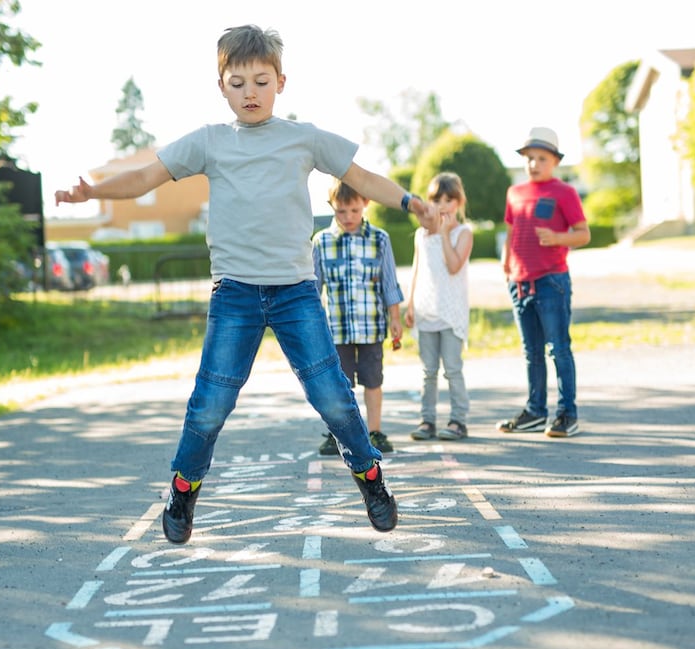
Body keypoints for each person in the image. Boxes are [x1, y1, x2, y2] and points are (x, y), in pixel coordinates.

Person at [54, 25, 437, 545]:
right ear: (222, 86)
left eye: (261, 81)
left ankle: (369, 476)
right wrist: (92, 192)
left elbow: (365, 179)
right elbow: (147, 177)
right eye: (238, 83)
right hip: (235, 292)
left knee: (334, 397)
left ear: (281, 82)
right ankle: (183, 489)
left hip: (295, 291)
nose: (250, 93)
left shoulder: (303, 138)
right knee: (210, 403)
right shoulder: (210, 141)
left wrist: (413, 203)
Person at [496, 127, 590, 438]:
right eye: (529, 158)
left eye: (541, 158)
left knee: (559, 349)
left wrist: (558, 238)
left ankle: (567, 414)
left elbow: (583, 233)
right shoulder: (514, 193)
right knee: (531, 352)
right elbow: (511, 230)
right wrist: (506, 261)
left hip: (552, 281)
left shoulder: (564, 192)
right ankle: (535, 411)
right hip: (520, 284)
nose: (534, 164)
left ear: (555, 161)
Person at [312, 178, 404, 457]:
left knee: (373, 380)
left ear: (365, 204)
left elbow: (389, 284)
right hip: (335, 330)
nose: (348, 217)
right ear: (332, 207)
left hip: (371, 327)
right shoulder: (321, 242)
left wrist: (395, 319)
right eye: (341, 211)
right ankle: (337, 434)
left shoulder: (380, 239)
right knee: (337, 386)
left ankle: (374, 431)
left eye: (354, 210)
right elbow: (315, 288)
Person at [404, 172, 473, 442]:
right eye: (437, 199)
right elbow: (416, 270)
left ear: (458, 202)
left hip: (451, 312)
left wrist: (445, 234)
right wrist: (409, 305)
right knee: (428, 371)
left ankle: (458, 420)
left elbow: (454, 266)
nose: (442, 205)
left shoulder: (463, 233)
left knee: (452, 369)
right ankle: (427, 420)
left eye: (448, 199)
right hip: (425, 311)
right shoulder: (421, 235)